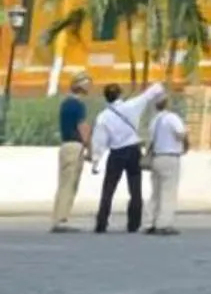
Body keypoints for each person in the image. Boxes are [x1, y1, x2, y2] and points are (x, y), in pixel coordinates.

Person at [90, 80, 164, 235]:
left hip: (116, 153)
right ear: (120, 94)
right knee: (135, 189)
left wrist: (96, 161)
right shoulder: (132, 106)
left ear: (106, 98)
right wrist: (159, 86)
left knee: (108, 189)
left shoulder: (103, 117)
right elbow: (148, 95)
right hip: (133, 150)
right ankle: (134, 223)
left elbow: (99, 141)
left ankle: (102, 223)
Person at [51, 72, 92, 233]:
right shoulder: (78, 105)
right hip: (75, 146)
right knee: (70, 184)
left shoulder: (65, 104)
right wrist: (90, 147)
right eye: (87, 83)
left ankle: (58, 216)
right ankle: (62, 219)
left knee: (63, 183)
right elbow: (82, 127)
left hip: (64, 146)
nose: (90, 87)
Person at [145, 89, 189, 236]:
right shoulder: (172, 118)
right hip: (170, 156)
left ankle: (152, 221)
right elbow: (180, 134)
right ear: (167, 103)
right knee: (168, 191)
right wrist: (186, 145)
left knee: (156, 192)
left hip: (156, 157)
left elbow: (149, 141)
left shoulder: (154, 120)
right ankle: (164, 224)